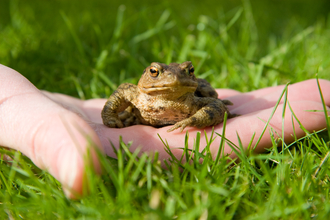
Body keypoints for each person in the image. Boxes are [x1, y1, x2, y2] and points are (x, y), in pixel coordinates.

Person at [1, 64, 329, 198]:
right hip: (143, 112)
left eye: (186, 71)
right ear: (149, 75)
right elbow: (118, 97)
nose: (169, 77)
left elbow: (213, 107)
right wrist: (109, 118)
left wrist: (196, 120)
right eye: (157, 72)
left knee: (216, 99)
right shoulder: (137, 91)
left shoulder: (192, 96)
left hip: (189, 103)